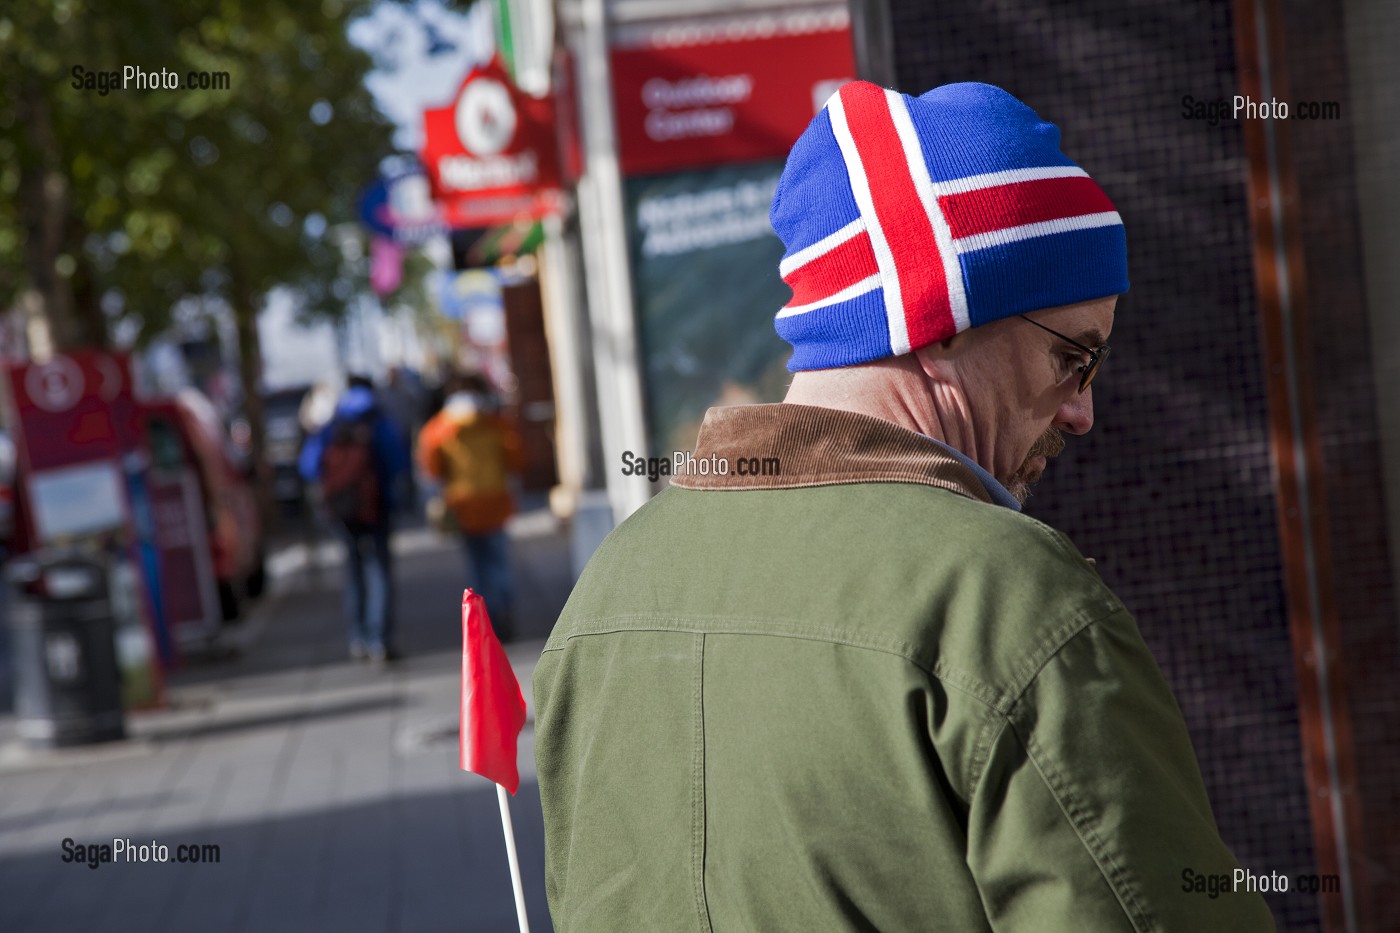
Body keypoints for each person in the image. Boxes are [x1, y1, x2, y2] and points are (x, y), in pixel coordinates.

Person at [532, 81, 1275, 931]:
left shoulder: (604, 596)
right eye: (1077, 357)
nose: (1083, 409)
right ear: (943, 316)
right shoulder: (1004, 594)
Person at [299, 374, 410, 665]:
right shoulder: (379, 420)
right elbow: (398, 461)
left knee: (353, 572)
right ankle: (380, 640)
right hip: (378, 508)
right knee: (380, 572)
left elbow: (309, 466)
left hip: (342, 511)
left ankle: (358, 638)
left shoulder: (333, 423)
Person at [417, 372, 525, 638]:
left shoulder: (438, 428)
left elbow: (430, 467)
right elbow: (517, 458)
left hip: (462, 505)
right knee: (498, 562)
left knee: (476, 566)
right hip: (495, 501)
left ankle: (486, 619)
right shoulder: (497, 423)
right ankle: (505, 612)